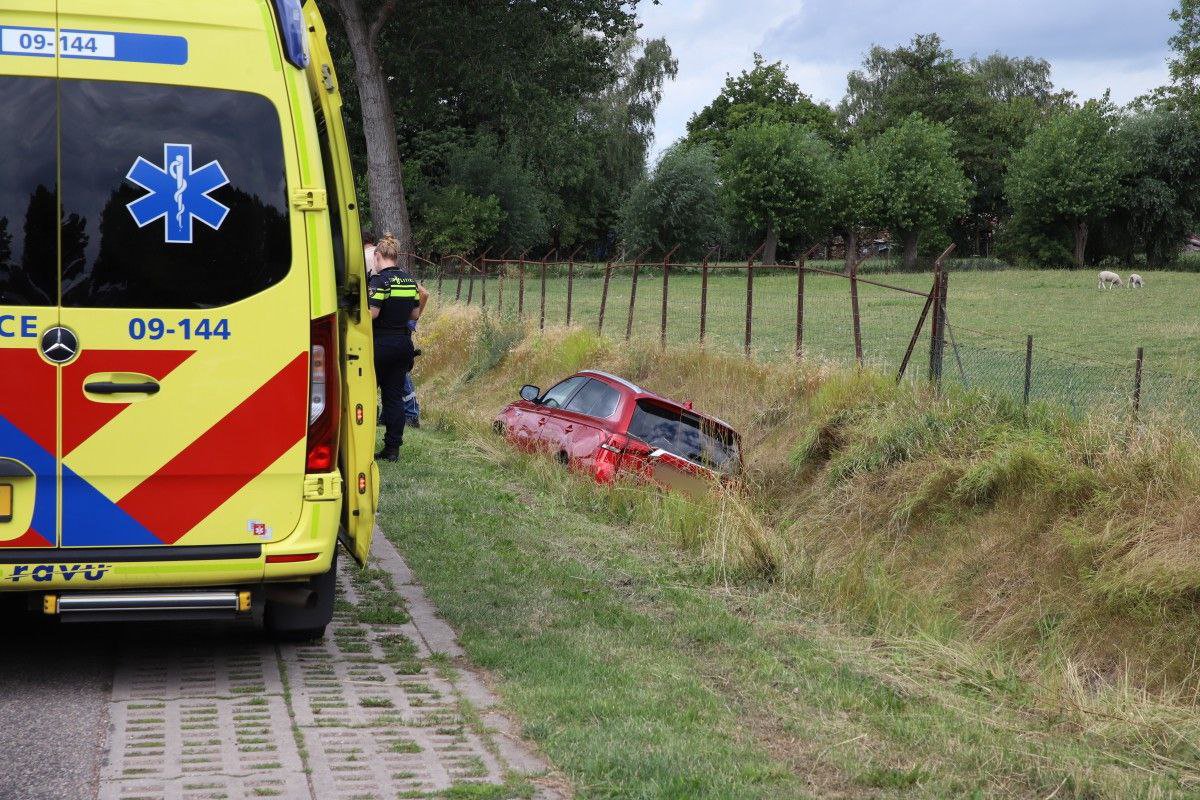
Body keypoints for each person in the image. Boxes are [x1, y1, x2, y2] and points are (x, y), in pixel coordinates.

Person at [368, 233, 428, 461]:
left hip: (379, 345)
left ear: (379, 256)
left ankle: (362, 447)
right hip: (403, 345)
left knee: (366, 395)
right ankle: (392, 449)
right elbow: (414, 313)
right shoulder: (409, 281)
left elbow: (372, 314)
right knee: (393, 398)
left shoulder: (379, 281)